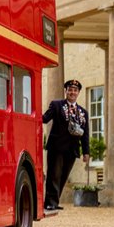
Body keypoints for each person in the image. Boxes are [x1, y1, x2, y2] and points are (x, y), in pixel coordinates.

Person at [42, 79, 90, 210]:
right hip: (57, 147)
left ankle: (54, 201)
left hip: (72, 149)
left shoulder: (83, 112)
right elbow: (45, 119)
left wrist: (86, 152)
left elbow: (85, 134)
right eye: (70, 90)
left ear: (78, 92)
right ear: (66, 91)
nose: (72, 92)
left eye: (75, 90)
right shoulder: (57, 105)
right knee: (54, 174)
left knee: (63, 176)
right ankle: (50, 202)